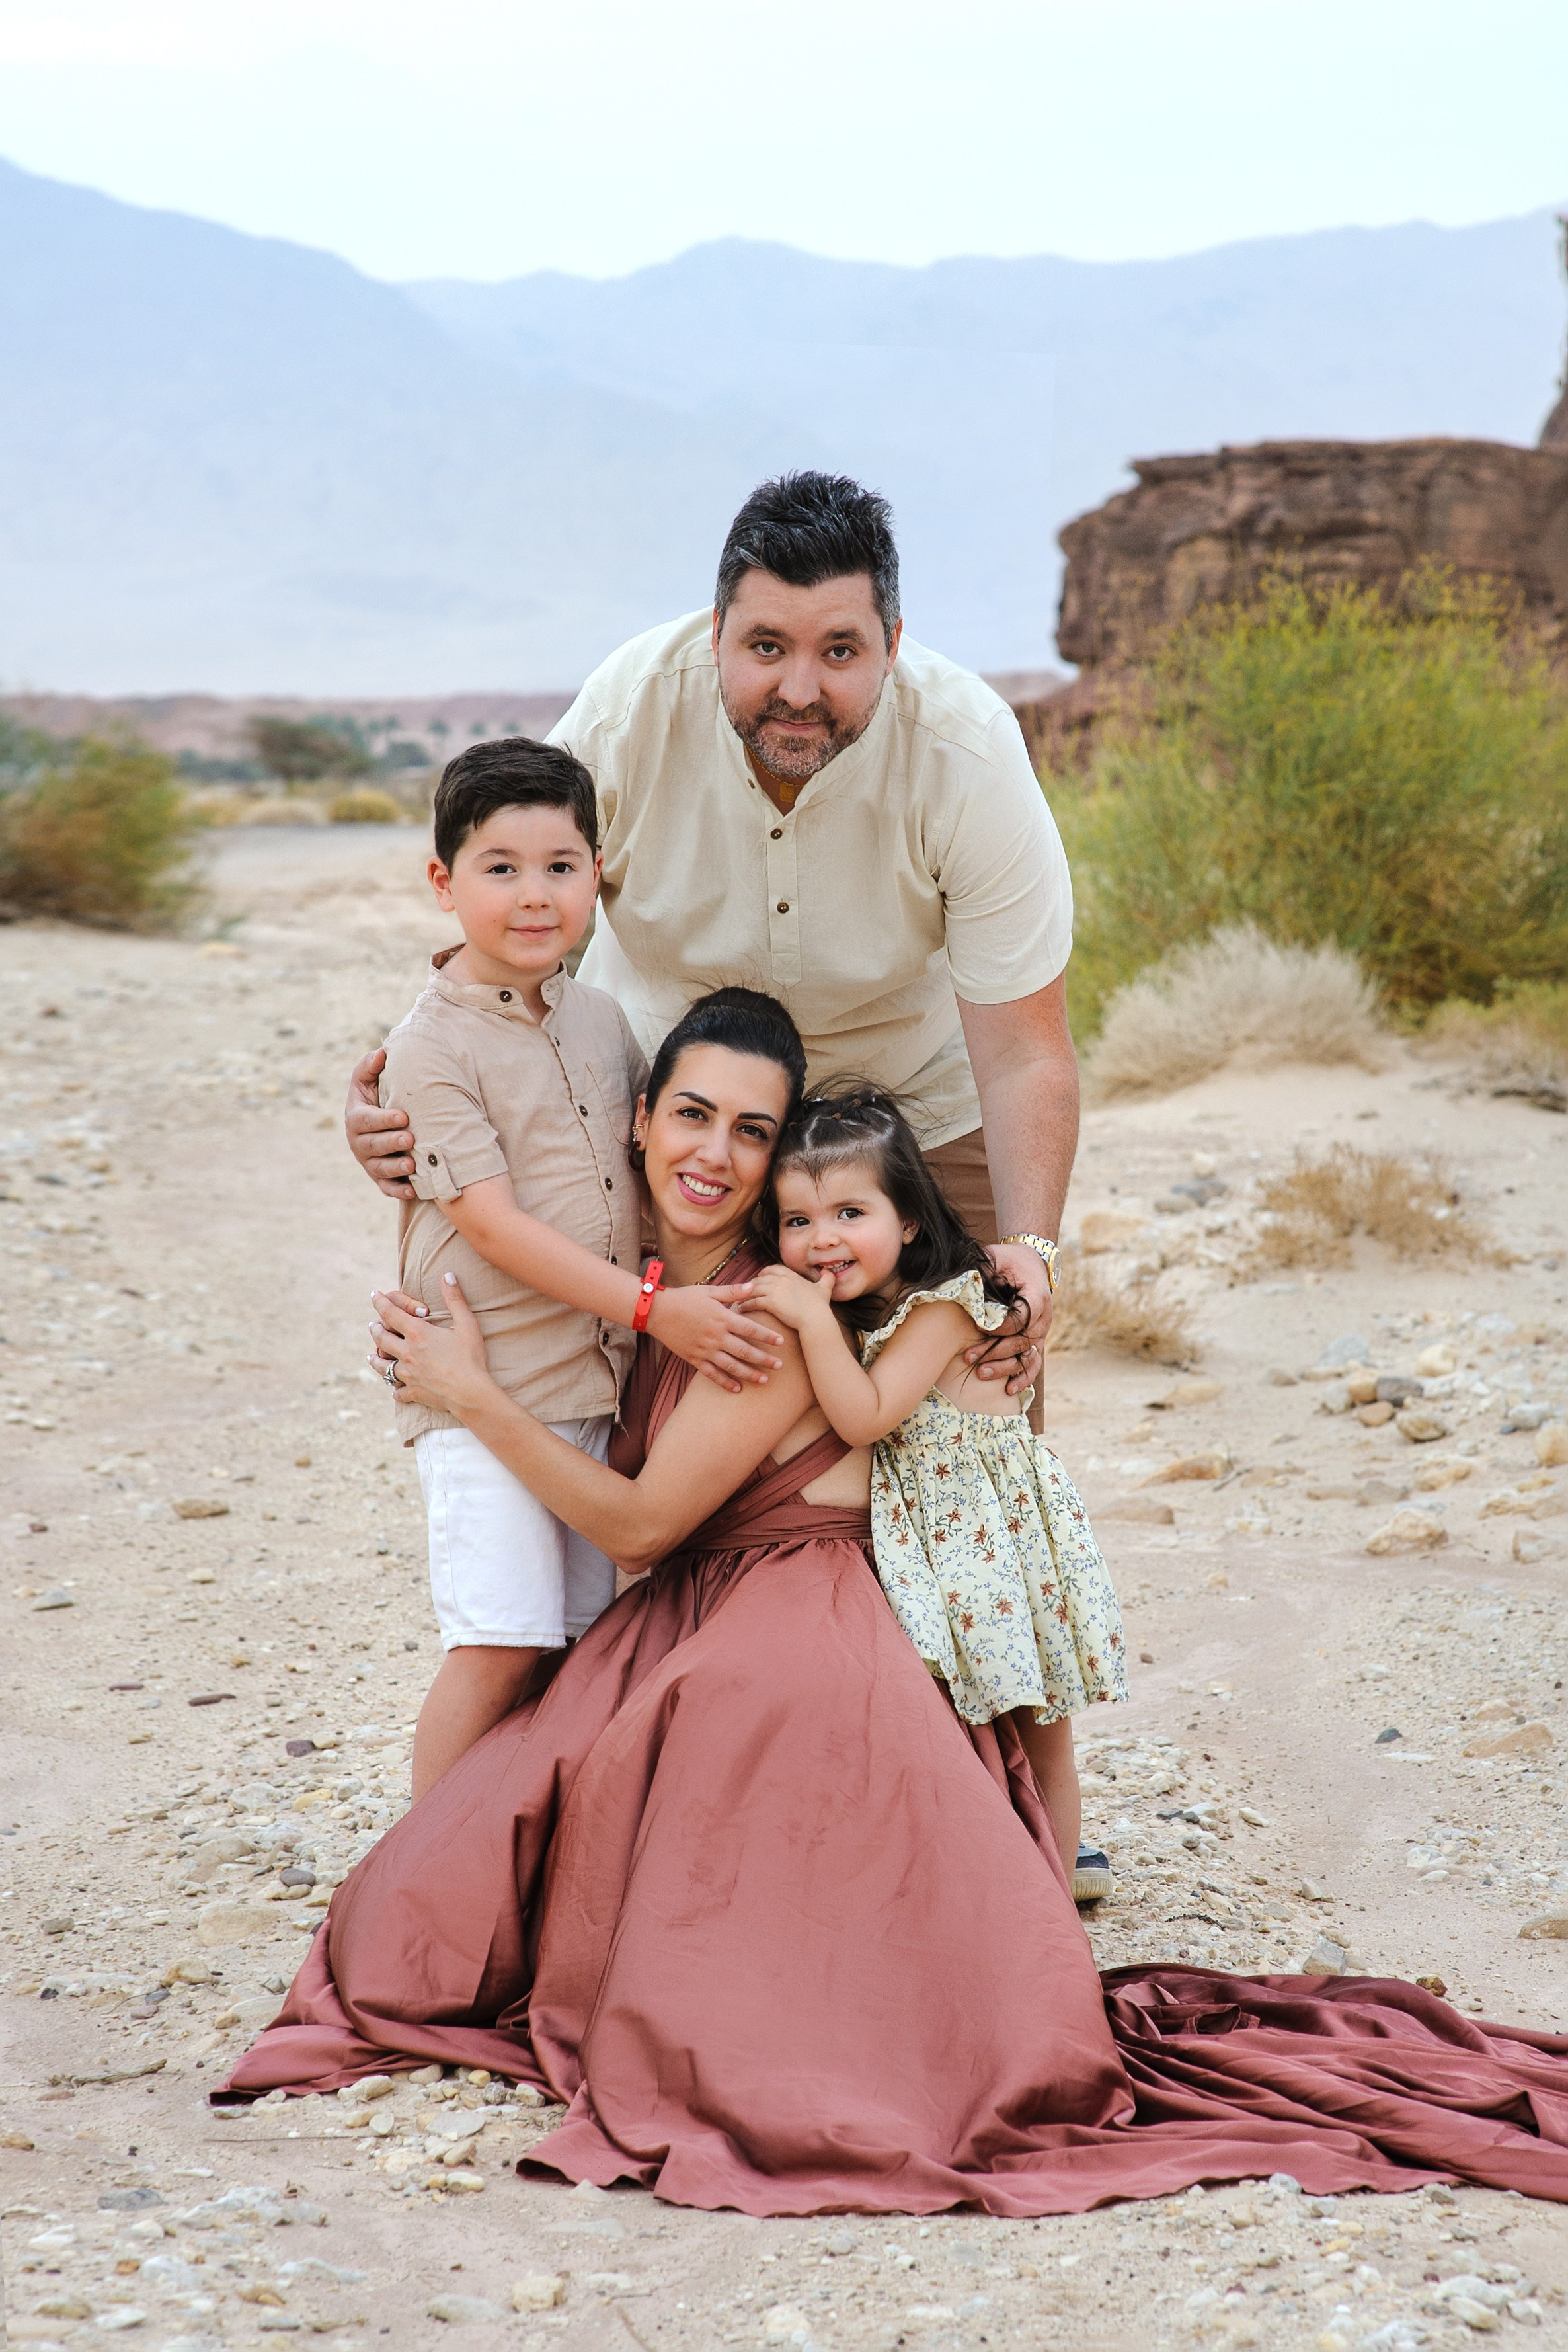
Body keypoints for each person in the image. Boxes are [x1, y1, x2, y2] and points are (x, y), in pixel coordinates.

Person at [222, 992, 1568, 2219]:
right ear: (638, 1117)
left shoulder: (766, 1305)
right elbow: (516, 1117)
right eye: (688, 1112)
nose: (715, 1149)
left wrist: (472, 1397)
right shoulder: (644, 1259)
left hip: (782, 1615)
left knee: (668, 1846)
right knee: (544, 1779)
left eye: (751, 1129)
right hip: (718, 1600)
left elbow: (637, 1522)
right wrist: (390, 1114)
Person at [343, 470, 1075, 1394]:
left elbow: (1023, 1054)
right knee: (637, 1433)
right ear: (716, 628)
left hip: (917, 1118)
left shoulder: (967, 754)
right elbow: (510, 920)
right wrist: (415, 1092)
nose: (799, 689)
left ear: (892, 645)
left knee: (974, 1425)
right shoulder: (627, 713)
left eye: (840, 652)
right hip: (671, 1122)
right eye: (765, 646)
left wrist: (1031, 1246)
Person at [381, 741, 783, 1798]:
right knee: (498, 1643)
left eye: (560, 865)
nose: (533, 895)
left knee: (574, 1650)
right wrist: (662, 1312)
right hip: (484, 1381)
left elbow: (652, 1162)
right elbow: (498, 1227)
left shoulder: (602, 1020)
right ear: (444, 883)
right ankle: (420, 1890)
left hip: (591, 1392)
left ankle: (525, 1861)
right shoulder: (429, 1048)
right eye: (500, 867)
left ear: (595, 876)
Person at [749, 1088, 1127, 1875]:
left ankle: (1050, 1901)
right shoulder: (875, 1310)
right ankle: (987, 1888)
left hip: (991, 1547)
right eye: (797, 1220)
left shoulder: (944, 1307)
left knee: (1034, 1728)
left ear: (909, 1220)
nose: (823, 1240)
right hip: (940, 1545)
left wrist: (812, 1321)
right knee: (970, 1735)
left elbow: (864, 1416)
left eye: (850, 1212)